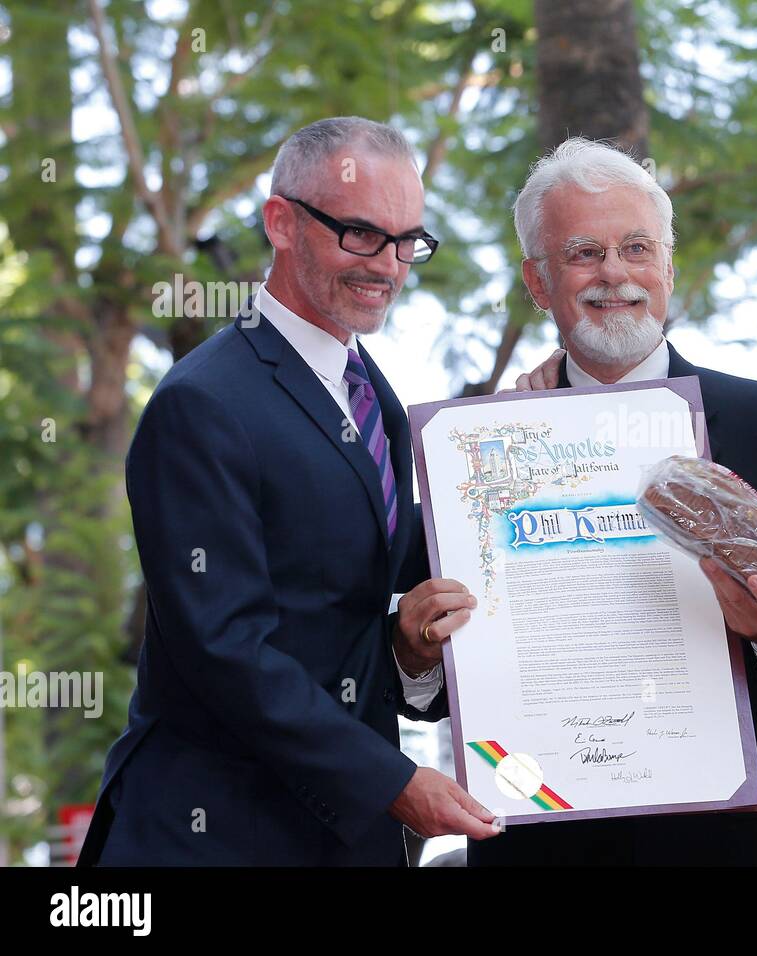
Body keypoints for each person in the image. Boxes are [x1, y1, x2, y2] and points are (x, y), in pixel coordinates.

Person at [80, 117, 499, 866]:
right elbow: (225, 649)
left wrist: (415, 635)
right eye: (362, 235)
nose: (391, 266)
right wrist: (394, 781)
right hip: (216, 834)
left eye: (409, 241)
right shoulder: (201, 403)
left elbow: (358, 588)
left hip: (343, 837)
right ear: (281, 222)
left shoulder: (377, 397)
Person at [480, 137, 757, 866]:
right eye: (582, 253)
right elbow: (442, 677)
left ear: (668, 266)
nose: (615, 273)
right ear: (538, 283)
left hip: (716, 847)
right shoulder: (482, 446)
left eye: (637, 248)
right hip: (534, 840)